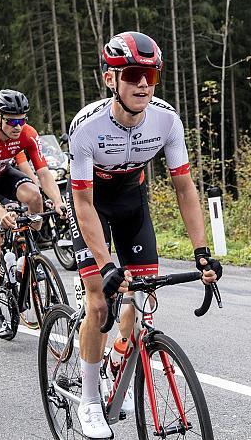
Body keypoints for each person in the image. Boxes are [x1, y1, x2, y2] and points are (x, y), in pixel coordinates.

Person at [66, 31, 223, 438]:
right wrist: (105, 265)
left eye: (150, 76)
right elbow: (82, 204)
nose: (142, 84)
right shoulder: (86, 126)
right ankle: (88, 400)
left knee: (142, 296)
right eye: (133, 74)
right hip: (92, 203)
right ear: (109, 79)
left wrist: (202, 251)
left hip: (132, 202)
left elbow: (185, 188)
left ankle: (121, 354)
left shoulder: (167, 119)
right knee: (100, 302)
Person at [0, 89, 64, 339]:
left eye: (22, 119)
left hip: (2, 174)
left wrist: (58, 201)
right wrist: (1, 212)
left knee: (34, 195)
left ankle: (31, 249)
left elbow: (42, 173)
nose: (18, 126)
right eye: (12, 121)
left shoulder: (27, 134)